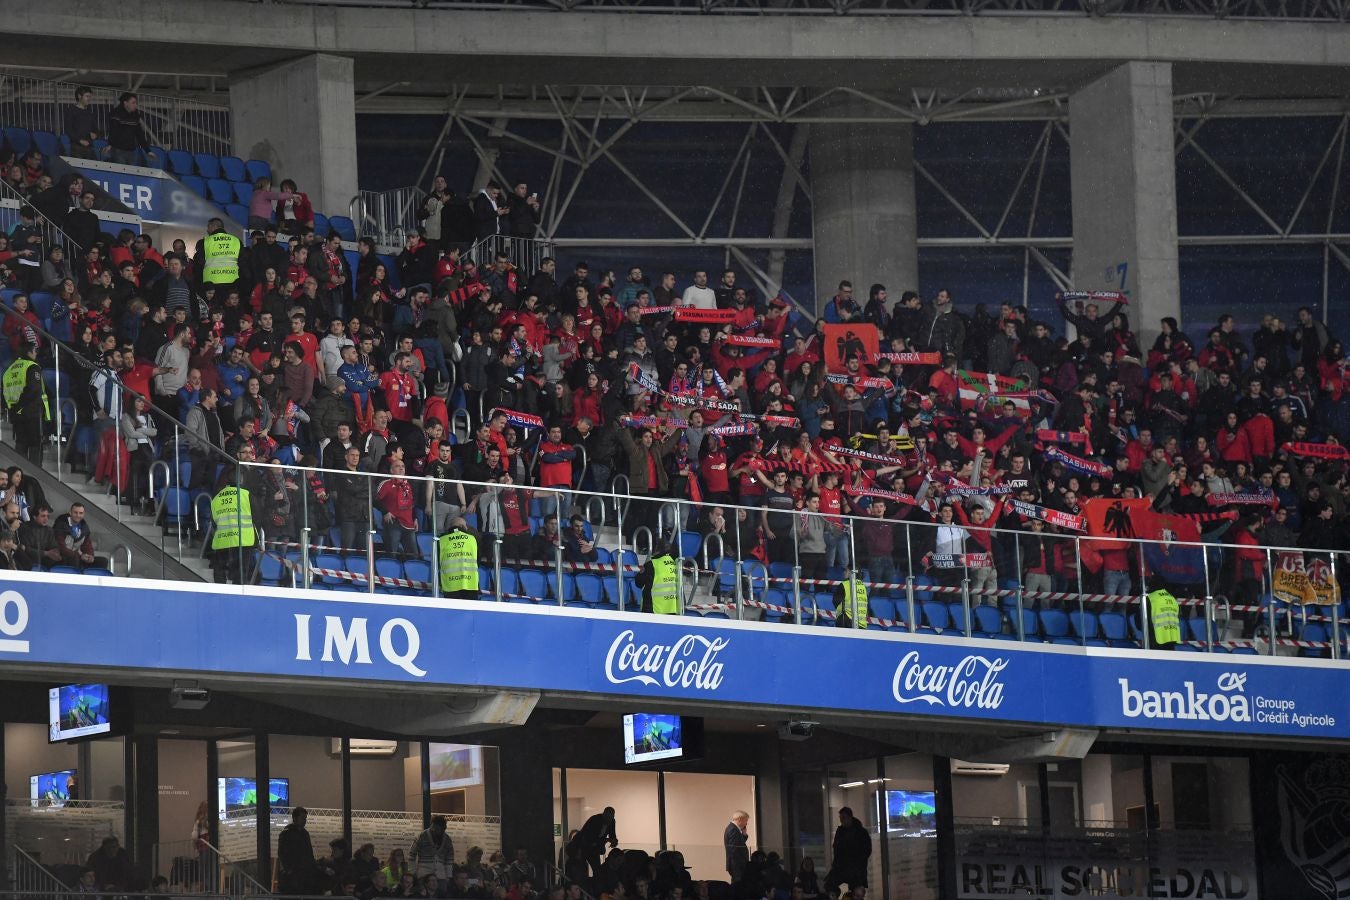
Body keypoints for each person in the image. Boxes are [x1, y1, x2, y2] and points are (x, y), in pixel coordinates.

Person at [209, 447, 258, 584]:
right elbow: (257, 514)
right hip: (244, 537)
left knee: (220, 566)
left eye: (250, 452)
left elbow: (213, 517)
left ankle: (220, 590)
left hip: (223, 537)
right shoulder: (246, 494)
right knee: (240, 571)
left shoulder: (217, 497)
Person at [3, 342, 50, 465]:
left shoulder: (9, 369)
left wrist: (14, 409)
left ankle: (20, 473)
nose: (36, 354)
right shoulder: (32, 366)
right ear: (29, 352)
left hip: (16, 415)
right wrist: (21, 407)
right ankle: (36, 476)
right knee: (35, 446)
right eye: (35, 351)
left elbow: (3, 392)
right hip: (31, 413)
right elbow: (33, 390)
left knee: (21, 445)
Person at [278, 807, 326, 895]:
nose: (304, 820)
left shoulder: (305, 833)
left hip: (305, 873)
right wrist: (289, 870)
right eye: (302, 818)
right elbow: (283, 853)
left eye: (305, 818)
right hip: (294, 873)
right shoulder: (287, 833)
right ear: (295, 818)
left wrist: (312, 865)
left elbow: (309, 853)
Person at [824, 808, 871, 894]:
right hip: (841, 867)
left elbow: (866, 850)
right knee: (829, 884)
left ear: (850, 818)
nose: (841, 821)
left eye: (843, 818)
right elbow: (836, 849)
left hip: (855, 869)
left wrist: (858, 862)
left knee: (855, 891)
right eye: (840, 818)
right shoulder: (841, 831)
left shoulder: (860, 832)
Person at [572, 806, 617, 883]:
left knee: (597, 871)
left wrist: (614, 840)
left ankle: (594, 888)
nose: (609, 820)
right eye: (608, 817)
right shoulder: (595, 820)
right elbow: (590, 837)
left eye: (611, 818)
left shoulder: (612, 822)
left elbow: (612, 834)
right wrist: (607, 840)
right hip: (583, 847)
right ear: (603, 815)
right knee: (582, 869)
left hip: (594, 849)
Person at [437, 517, 480, 599]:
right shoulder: (472, 539)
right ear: (462, 526)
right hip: (470, 584)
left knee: (452, 611)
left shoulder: (442, 540)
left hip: (450, 585)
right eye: (466, 525)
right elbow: (478, 559)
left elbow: (437, 561)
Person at [634, 540, 679, 614]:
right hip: (673, 608)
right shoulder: (676, 564)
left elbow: (638, 583)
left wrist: (641, 572)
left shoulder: (651, 565)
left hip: (653, 609)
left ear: (657, 550)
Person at [410, 815, 456, 881]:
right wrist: (413, 872)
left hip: (441, 876)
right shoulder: (422, 836)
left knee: (441, 890)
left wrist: (448, 875)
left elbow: (449, 858)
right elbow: (411, 854)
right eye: (432, 827)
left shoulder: (447, 840)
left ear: (443, 829)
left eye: (437, 829)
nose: (434, 830)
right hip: (423, 875)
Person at [725, 811, 750, 883]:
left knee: (737, 885)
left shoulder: (734, 828)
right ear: (740, 819)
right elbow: (734, 849)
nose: (746, 823)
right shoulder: (733, 829)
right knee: (738, 886)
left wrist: (744, 834)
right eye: (746, 820)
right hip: (736, 865)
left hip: (736, 864)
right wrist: (741, 864)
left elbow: (738, 844)